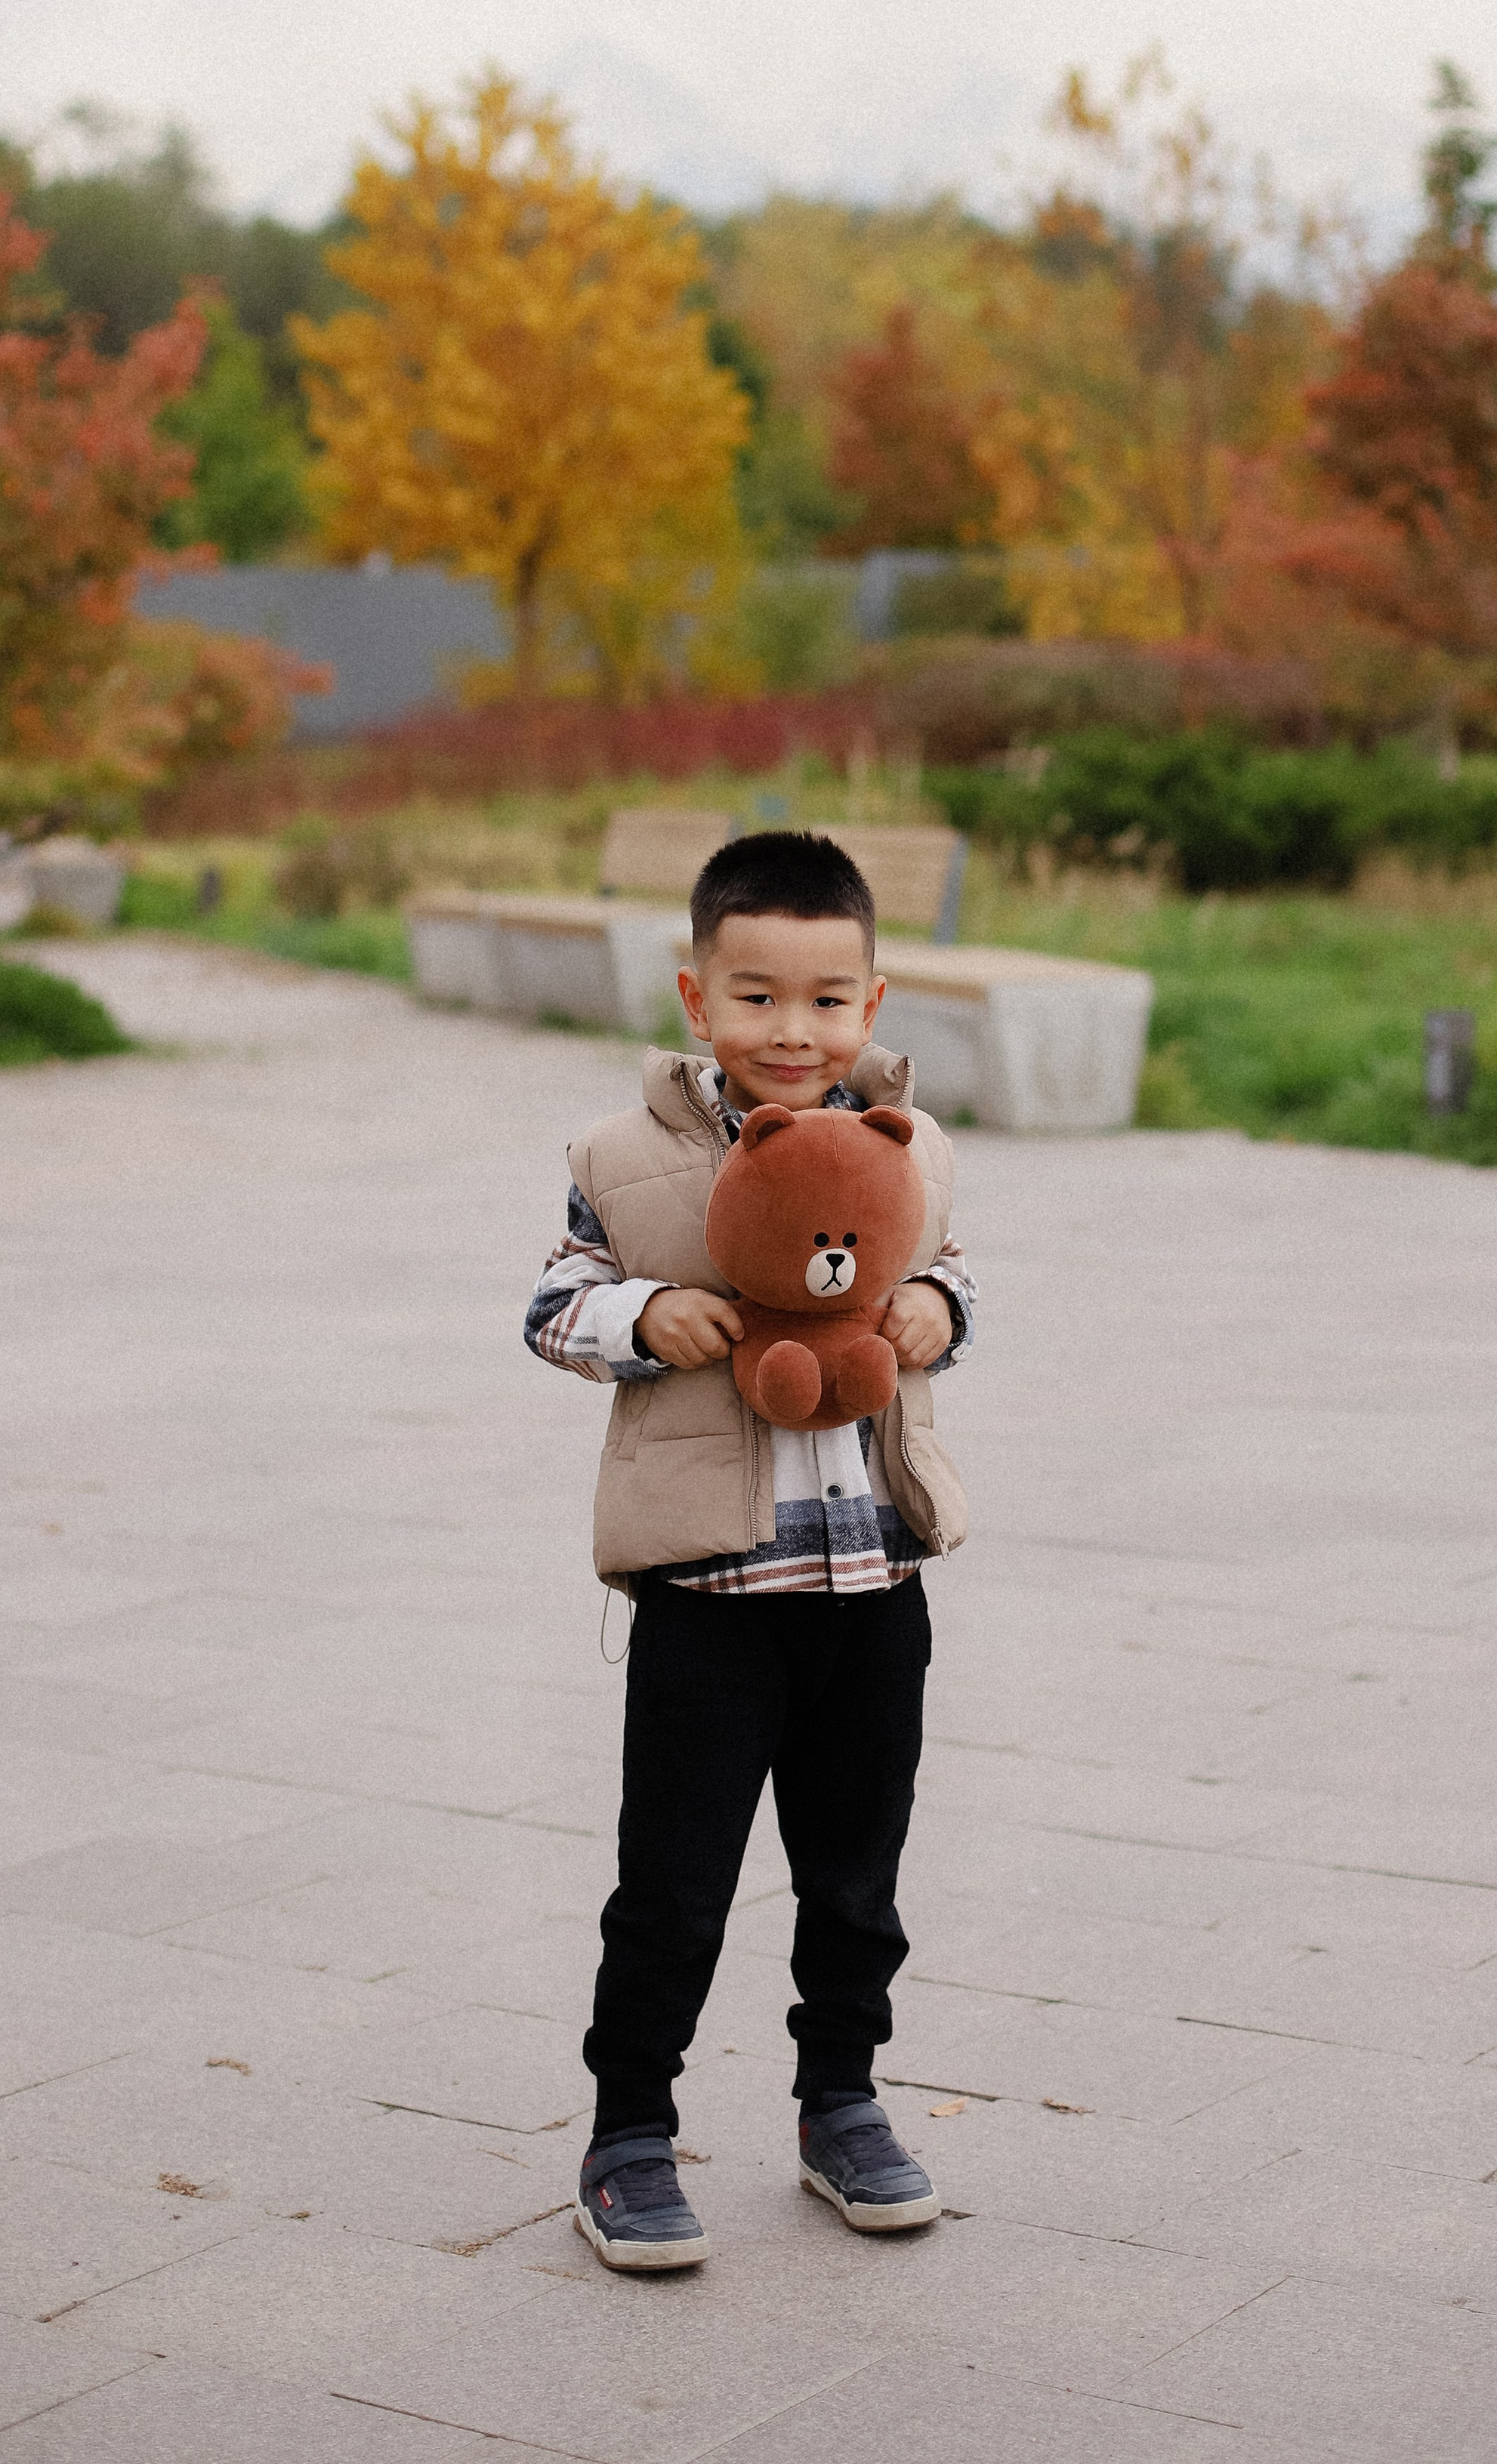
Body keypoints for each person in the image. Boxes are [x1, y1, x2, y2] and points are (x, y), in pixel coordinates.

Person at [524, 830, 976, 2271]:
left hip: (870, 1583)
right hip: (711, 1597)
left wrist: (939, 1319)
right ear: (696, 997)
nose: (796, 1030)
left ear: (874, 1002)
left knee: (857, 1875)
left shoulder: (911, 1149)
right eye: (760, 996)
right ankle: (628, 2132)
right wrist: (641, 1321)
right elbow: (549, 1303)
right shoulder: (626, 1155)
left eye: (828, 999)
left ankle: (840, 2102)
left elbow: (954, 1274)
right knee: (674, 1881)